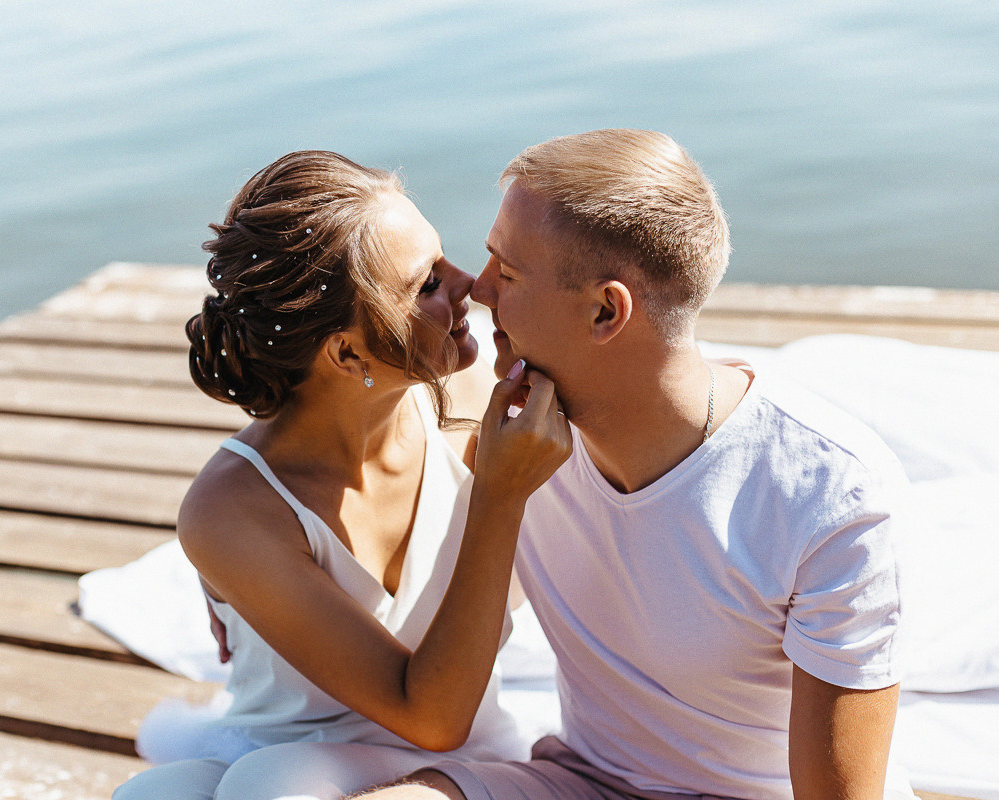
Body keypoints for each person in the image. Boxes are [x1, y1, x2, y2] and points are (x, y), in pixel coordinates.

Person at [355, 129, 908, 800]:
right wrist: (233, 582)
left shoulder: (828, 494)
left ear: (605, 310)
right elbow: (431, 690)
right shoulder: (516, 445)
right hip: (580, 782)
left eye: (509, 269)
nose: (480, 291)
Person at [111, 150, 571, 800]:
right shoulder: (236, 509)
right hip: (287, 749)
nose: (469, 283)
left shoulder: (478, 400)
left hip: (461, 750)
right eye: (428, 284)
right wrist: (498, 496)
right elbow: (424, 711)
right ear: (347, 350)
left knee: (269, 791)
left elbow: (442, 726)